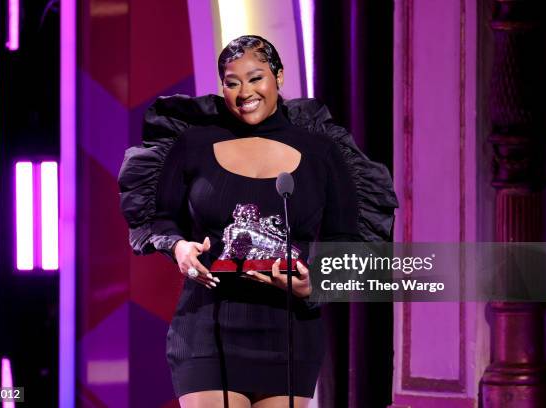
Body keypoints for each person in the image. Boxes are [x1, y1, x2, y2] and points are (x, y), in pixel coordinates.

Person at [118, 35, 397, 408]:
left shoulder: (322, 150)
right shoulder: (192, 143)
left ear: (278, 78)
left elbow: (349, 240)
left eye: (255, 78)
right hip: (206, 326)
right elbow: (160, 218)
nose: (244, 92)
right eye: (232, 82)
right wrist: (178, 247)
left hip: (288, 331)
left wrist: (315, 283)